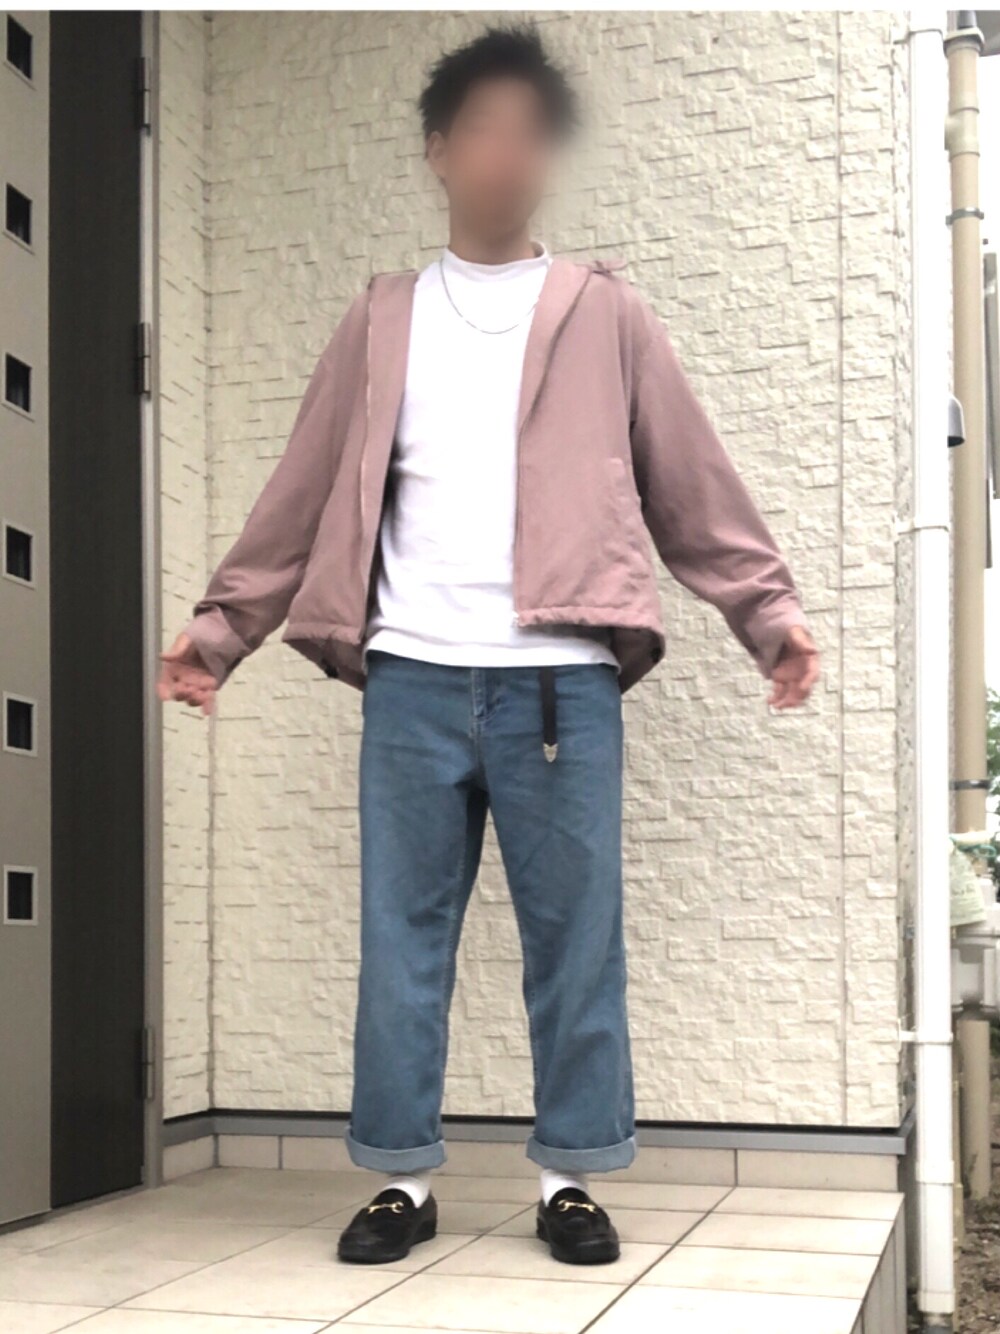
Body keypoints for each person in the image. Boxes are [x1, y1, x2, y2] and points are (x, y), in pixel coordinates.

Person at [159, 24, 819, 1267]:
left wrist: (765, 612)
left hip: (560, 684)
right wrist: (221, 627)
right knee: (402, 941)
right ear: (437, 151)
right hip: (411, 677)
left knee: (575, 942)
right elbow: (303, 489)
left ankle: (571, 1176)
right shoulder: (381, 318)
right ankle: (400, 1178)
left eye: (531, 131)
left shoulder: (606, 312)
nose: (507, 151)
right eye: (483, 128)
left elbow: (690, 481)